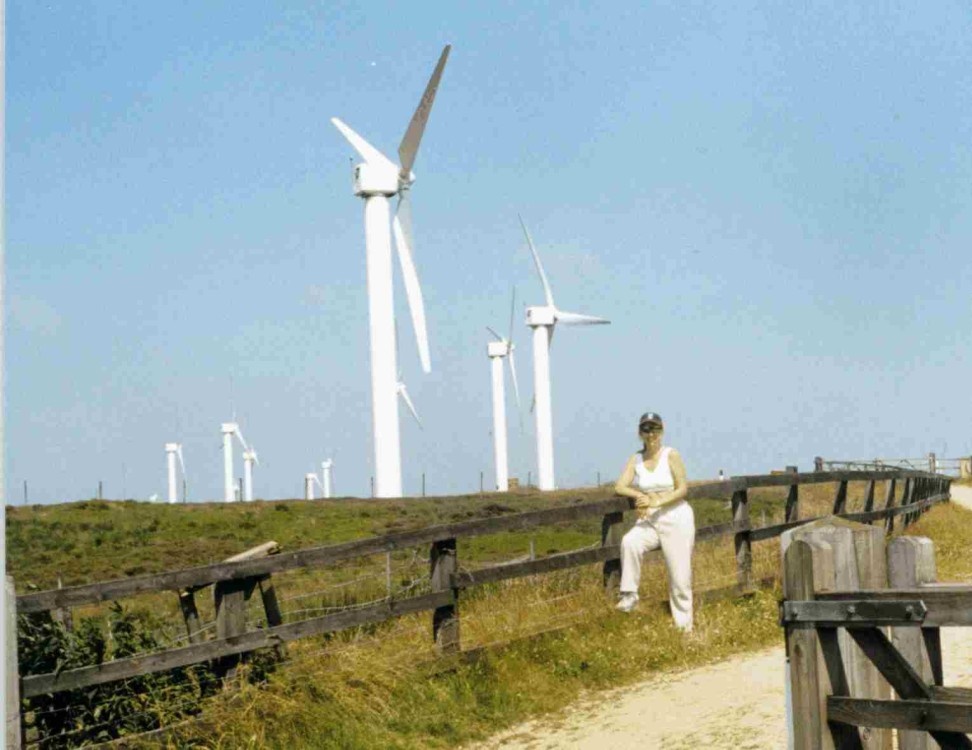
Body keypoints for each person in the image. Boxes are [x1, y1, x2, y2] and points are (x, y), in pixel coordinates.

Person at [613, 412, 695, 631]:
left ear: (662, 430)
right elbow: (619, 486)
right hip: (650, 519)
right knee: (630, 542)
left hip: (675, 517)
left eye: (655, 429)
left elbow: (682, 488)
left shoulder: (671, 455)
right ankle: (629, 594)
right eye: (646, 429)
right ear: (640, 433)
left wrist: (656, 502)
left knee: (680, 578)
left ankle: (684, 629)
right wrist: (637, 495)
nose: (651, 434)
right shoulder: (636, 459)